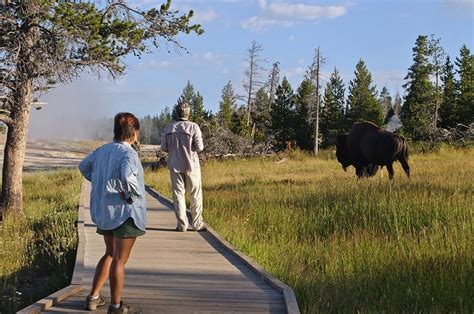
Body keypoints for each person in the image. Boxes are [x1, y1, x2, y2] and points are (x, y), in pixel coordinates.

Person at [79, 112, 146, 314]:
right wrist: (129, 194)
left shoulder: (101, 151)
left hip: (105, 212)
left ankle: (93, 298)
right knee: (119, 259)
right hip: (126, 213)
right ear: (133, 133)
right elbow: (127, 175)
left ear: (116, 132)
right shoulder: (129, 154)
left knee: (109, 253)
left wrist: (101, 182)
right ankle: (116, 306)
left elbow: (83, 167)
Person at [161, 101, 206, 232]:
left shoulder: (169, 128)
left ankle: (182, 225)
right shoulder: (193, 127)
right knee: (195, 194)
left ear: (176, 113)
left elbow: (164, 147)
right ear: (188, 113)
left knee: (178, 195)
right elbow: (200, 147)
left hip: (174, 164)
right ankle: (197, 224)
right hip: (191, 166)